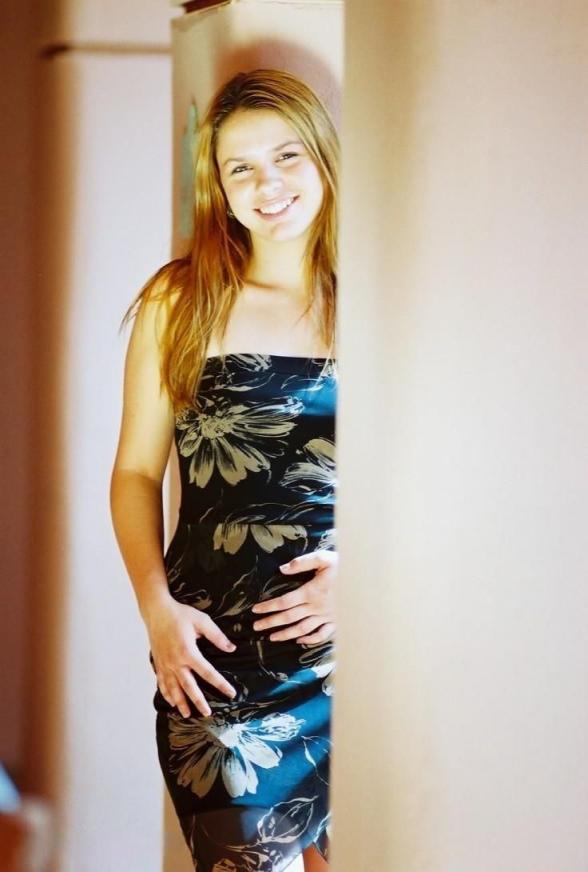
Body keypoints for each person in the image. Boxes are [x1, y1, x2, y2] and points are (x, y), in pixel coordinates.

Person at [110, 68, 338, 872]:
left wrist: (363, 580)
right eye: (241, 168)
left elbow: (434, 470)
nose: (267, 185)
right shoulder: (180, 300)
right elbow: (136, 474)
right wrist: (156, 610)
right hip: (213, 656)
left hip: (349, 652)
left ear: (325, 156)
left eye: (287, 156)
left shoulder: (379, 295)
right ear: (219, 187)